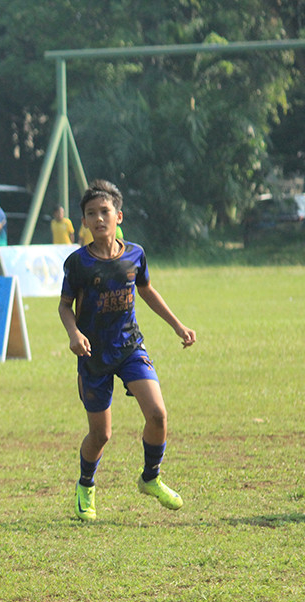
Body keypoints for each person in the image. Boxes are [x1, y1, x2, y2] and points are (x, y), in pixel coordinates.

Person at [58, 180, 196, 523]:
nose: (99, 218)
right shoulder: (78, 263)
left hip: (130, 346)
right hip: (93, 357)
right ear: (85, 222)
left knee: (158, 415)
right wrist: (74, 334)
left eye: (105, 212)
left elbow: (146, 290)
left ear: (118, 216)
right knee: (101, 434)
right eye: (91, 214)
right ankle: (86, 485)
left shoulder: (135, 254)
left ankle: (151, 477)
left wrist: (177, 325)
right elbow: (64, 306)